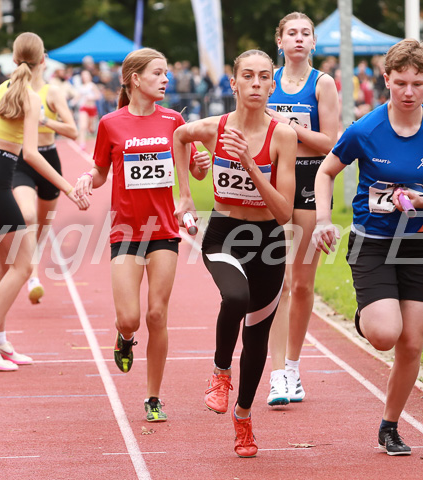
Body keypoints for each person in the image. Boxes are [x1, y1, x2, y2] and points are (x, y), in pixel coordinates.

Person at [313, 39, 423, 456]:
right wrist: (323, 220)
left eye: (417, 84)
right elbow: (326, 173)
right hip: (373, 243)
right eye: (399, 82)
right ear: (385, 80)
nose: (407, 92)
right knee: (385, 335)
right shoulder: (365, 129)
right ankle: (368, 315)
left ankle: (390, 425)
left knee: (411, 344)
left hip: (421, 242)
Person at [74, 48, 210, 423]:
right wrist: (88, 178)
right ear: (135, 79)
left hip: (164, 229)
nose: (166, 79)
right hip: (126, 231)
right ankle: (124, 338)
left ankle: (153, 397)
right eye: (158, 73)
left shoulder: (174, 121)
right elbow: (102, 171)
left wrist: (201, 164)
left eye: (166, 73)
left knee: (156, 313)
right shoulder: (110, 123)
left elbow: (194, 174)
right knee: (130, 318)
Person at [174, 50, 296, 457]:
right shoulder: (214, 127)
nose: (257, 83)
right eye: (249, 76)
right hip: (225, 234)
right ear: (234, 83)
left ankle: (243, 416)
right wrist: (185, 194)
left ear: (272, 85)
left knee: (258, 337)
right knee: (236, 298)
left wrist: (248, 160)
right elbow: (178, 136)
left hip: (269, 242)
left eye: (264, 77)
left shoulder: (283, 135)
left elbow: (283, 212)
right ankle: (220, 371)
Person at [0, 32, 89, 372]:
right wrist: (68, 188)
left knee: (6, 266)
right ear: (43, 60)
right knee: (22, 266)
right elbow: (32, 155)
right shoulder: (32, 97)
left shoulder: (4, 88)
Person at [264, 12, 340, 407]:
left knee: (302, 282)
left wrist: (286, 127)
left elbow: (330, 143)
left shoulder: (322, 83)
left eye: (305, 33)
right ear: (280, 41)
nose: (298, 39)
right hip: (274, 182)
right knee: (277, 282)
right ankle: (277, 374)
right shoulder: (266, 79)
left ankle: (293, 366)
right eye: (291, 33)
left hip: (311, 182)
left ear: (313, 42)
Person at [12, 54, 78, 304]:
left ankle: (31, 263)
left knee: (41, 226)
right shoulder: (13, 89)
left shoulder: (53, 92)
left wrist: (45, 120)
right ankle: (33, 277)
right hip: (22, 160)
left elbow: (73, 130)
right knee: (27, 215)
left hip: (49, 160)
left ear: (44, 61)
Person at [73, 70, 101, 150]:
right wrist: (72, 102)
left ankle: (93, 140)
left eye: (86, 75)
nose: (85, 77)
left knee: (91, 129)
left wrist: (91, 97)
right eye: (83, 75)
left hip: (92, 108)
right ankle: (82, 144)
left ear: (89, 76)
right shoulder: (81, 87)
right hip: (84, 108)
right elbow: (77, 97)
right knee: (83, 126)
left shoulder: (92, 85)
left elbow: (98, 96)